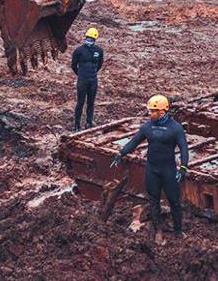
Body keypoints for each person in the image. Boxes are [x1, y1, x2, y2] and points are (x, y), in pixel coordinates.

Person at [111, 95, 189, 237]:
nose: (149, 114)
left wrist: (183, 168)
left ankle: (178, 231)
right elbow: (134, 142)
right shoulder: (147, 127)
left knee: (174, 201)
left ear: (162, 112)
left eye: (152, 111)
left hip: (168, 171)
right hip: (152, 169)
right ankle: (157, 229)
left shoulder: (175, 128)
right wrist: (120, 154)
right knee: (153, 200)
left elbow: (184, 148)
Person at [71, 27, 104, 131]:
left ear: (95, 40)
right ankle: (77, 125)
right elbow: (73, 65)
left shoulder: (99, 51)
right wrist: (81, 75)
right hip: (82, 80)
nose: (89, 40)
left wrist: (92, 73)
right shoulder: (79, 51)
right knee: (80, 102)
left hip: (93, 80)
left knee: (91, 102)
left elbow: (100, 64)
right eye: (88, 38)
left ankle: (89, 123)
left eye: (91, 39)